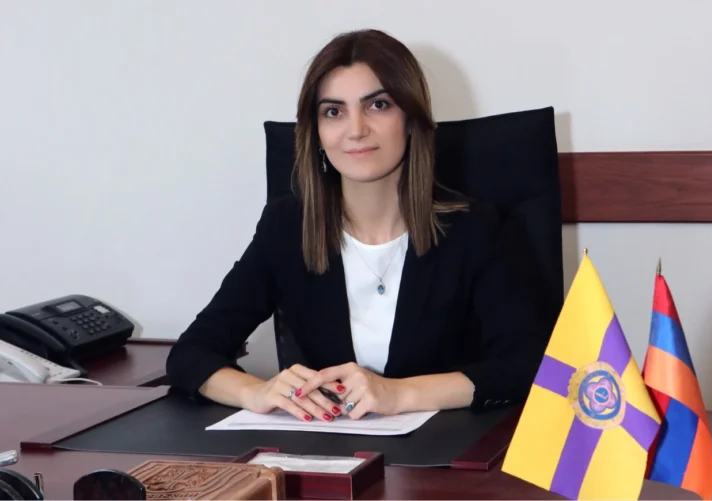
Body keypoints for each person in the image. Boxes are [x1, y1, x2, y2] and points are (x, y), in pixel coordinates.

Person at [166, 29, 551, 422]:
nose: (356, 130)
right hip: (332, 451)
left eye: (378, 105)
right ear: (316, 133)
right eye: (333, 112)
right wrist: (255, 391)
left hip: (448, 452)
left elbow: (529, 364)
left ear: (411, 119)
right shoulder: (287, 227)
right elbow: (191, 354)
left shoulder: (476, 230)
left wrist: (399, 393)